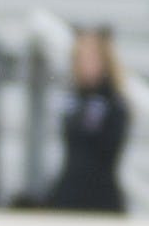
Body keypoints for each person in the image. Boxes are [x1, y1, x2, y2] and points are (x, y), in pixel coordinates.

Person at [46, 27, 130, 213]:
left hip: (101, 199)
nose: (87, 65)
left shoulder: (115, 104)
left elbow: (107, 152)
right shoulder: (73, 101)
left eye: (92, 58)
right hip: (69, 195)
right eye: (82, 58)